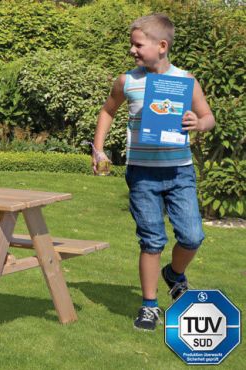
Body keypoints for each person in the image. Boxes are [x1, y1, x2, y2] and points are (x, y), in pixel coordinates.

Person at [92, 14, 215, 331]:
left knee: (192, 235)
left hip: (179, 172)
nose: (132, 50)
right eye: (132, 44)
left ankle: (174, 273)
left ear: (162, 46)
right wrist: (99, 148)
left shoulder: (186, 81)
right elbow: (108, 110)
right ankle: (149, 306)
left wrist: (197, 123)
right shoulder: (127, 81)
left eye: (137, 44)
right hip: (143, 174)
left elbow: (208, 118)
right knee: (152, 240)